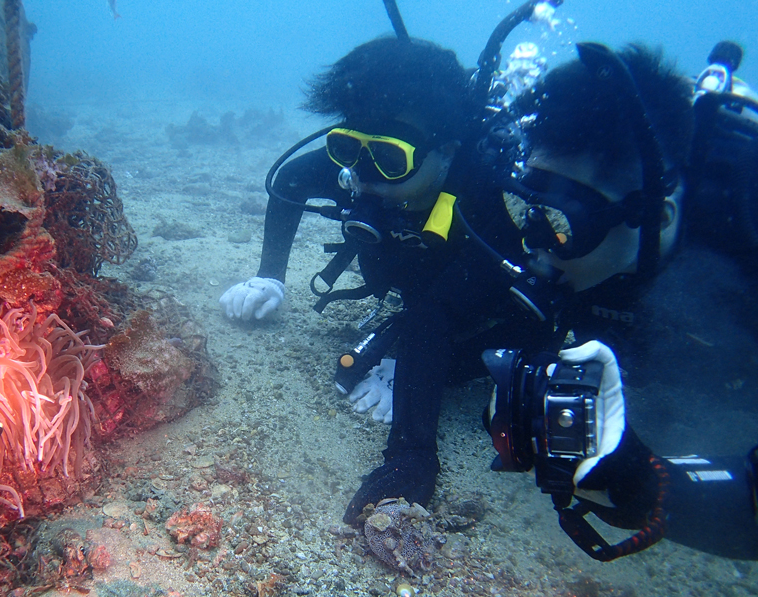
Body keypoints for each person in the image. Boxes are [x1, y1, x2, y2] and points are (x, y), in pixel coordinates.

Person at [476, 43, 758, 561]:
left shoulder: (745, 250)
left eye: (562, 222)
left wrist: (653, 487)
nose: (534, 244)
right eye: (525, 208)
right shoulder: (581, 252)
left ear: (657, 218)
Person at [220, 36, 488, 514]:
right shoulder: (359, 165)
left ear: (446, 153)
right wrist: (270, 276)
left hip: (471, 298)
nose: (361, 175)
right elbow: (290, 180)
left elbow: (526, 318)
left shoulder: (488, 200)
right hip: (405, 286)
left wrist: (432, 370)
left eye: (390, 158)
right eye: (347, 148)